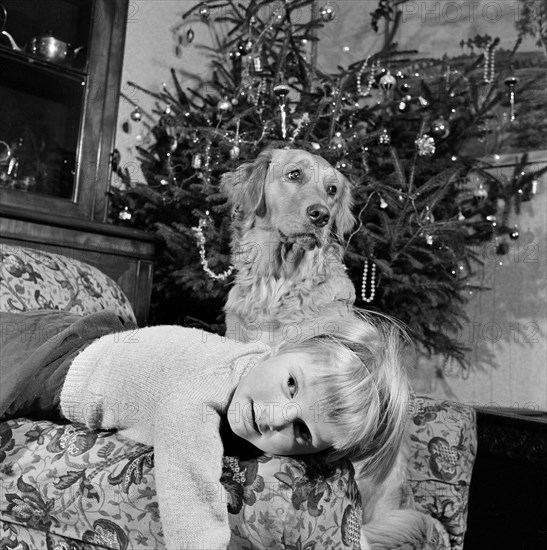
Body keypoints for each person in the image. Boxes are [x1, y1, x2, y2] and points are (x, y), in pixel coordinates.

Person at [0, 307, 412, 550]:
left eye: (301, 431)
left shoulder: (257, 378)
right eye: (291, 384)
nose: (274, 416)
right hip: (56, 359)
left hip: (105, 340)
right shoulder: (202, 395)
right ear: (283, 348)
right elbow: (189, 481)